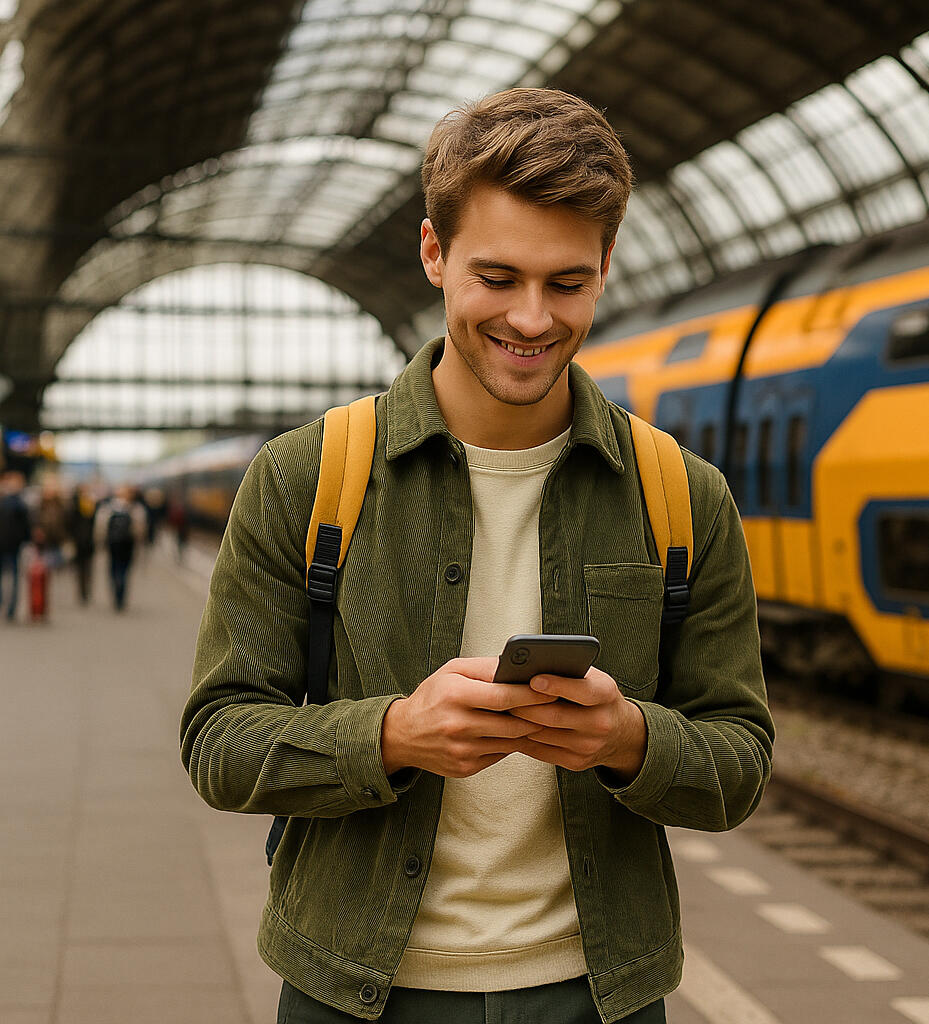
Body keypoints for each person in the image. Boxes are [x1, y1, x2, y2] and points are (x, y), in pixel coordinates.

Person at [181, 88, 774, 1024]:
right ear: (432, 253)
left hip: (597, 995)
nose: (532, 320)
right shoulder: (307, 477)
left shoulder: (679, 494)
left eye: (566, 283)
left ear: (606, 266)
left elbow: (738, 760)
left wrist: (628, 742)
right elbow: (217, 741)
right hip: (353, 989)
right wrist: (392, 736)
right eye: (496, 278)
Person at [94, 485, 146, 611]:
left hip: (112, 544)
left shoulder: (108, 507)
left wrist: (100, 542)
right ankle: (121, 595)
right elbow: (141, 528)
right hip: (128, 545)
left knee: (113, 568)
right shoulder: (136, 508)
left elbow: (100, 526)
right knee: (124, 570)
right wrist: (139, 541)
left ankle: (116, 591)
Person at [0, 470, 31, 621]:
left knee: (14, 577)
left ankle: (11, 608)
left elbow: (26, 527)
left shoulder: (20, 504)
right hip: (8, 545)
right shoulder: (13, 502)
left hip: (13, 546)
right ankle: (6, 606)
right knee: (11, 577)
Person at [68, 484, 97, 604]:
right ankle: (81, 591)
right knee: (80, 569)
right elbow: (70, 523)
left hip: (89, 542)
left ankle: (87, 590)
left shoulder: (93, 505)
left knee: (89, 568)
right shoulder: (74, 506)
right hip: (78, 542)